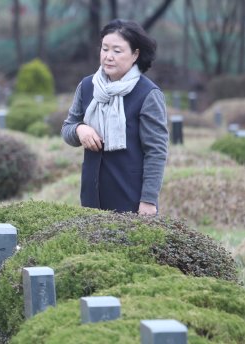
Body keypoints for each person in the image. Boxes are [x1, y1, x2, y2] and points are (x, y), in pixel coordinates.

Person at [61, 19, 168, 215]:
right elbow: (67, 129)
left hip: (132, 198)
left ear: (135, 54)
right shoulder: (87, 86)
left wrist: (148, 200)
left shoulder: (148, 94)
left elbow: (156, 151)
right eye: (105, 49)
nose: (108, 56)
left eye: (117, 51)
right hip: (92, 196)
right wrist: (79, 129)